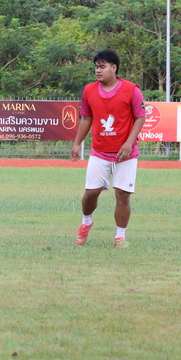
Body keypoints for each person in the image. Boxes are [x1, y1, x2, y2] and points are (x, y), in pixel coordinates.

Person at [70, 49, 146, 248]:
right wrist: (77, 143)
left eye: (102, 67)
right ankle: (86, 222)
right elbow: (87, 118)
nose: (98, 70)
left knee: (122, 195)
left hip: (125, 154)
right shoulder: (89, 90)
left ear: (114, 68)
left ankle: (120, 236)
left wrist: (129, 143)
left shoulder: (132, 90)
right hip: (99, 152)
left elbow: (140, 117)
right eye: (96, 67)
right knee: (91, 193)